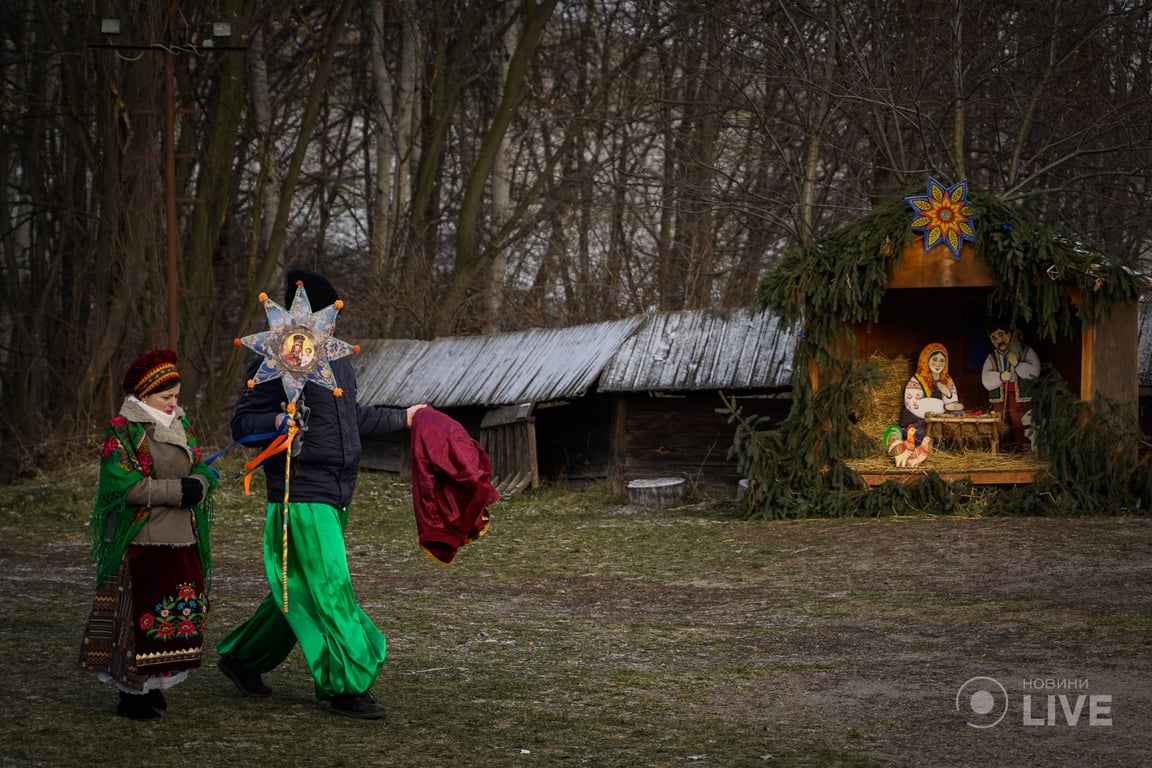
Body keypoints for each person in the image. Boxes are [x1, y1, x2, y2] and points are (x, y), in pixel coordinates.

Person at [216, 268, 426, 720]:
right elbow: (242, 425)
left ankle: (242, 658)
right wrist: (274, 424)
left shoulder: (337, 363)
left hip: (336, 492)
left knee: (294, 589)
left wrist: (404, 419)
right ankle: (347, 685)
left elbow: (354, 419)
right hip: (299, 493)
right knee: (330, 587)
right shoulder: (273, 361)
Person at [79, 349, 216, 721]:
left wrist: (200, 486)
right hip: (139, 540)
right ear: (143, 395)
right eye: (166, 397)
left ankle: (153, 685)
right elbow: (122, 486)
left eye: (176, 396)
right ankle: (131, 693)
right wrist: (178, 491)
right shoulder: (124, 430)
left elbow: (200, 465)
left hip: (180, 537)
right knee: (135, 618)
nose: (174, 403)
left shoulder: (180, 425)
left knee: (170, 616)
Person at [981, 320, 1040, 450]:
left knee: (1019, 420)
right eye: (994, 338)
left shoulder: (1024, 351)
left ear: (1009, 335)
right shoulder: (992, 357)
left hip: (1019, 395)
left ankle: (1021, 447)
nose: (999, 340)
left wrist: (1018, 364)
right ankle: (1002, 449)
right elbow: (985, 378)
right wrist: (1001, 377)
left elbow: (1034, 371)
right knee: (1000, 421)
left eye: (1001, 335)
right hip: (1000, 395)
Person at [901, 342, 962, 432]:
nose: (938, 364)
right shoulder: (917, 380)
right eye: (934, 359)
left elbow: (954, 405)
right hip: (918, 420)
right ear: (926, 360)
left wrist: (948, 393)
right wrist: (944, 407)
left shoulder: (947, 380)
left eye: (942, 361)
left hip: (939, 421)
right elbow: (912, 405)